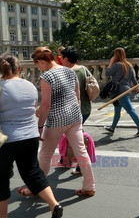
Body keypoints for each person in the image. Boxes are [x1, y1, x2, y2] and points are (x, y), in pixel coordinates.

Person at [0, 55, 63, 218]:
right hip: (30, 136)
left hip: (7, 140)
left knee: (1, 179)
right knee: (33, 172)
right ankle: (54, 204)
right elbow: (33, 108)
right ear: (19, 69)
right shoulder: (30, 86)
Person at [32, 47, 95, 197]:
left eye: (38, 64)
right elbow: (77, 97)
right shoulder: (69, 71)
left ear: (41, 61)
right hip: (74, 116)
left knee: (46, 153)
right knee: (81, 151)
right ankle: (89, 186)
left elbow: (46, 104)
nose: (39, 68)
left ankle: (38, 187)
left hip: (57, 120)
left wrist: (40, 126)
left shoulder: (46, 77)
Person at [60, 46, 93, 174]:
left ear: (66, 59)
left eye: (62, 58)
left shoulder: (64, 72)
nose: (61, 60)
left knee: (77, 140)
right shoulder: (83, 69)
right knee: (73, 136)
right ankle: (66, 160)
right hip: (85, 108)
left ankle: (80, 166)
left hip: (72, 111)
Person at [103, 47, 139, 136]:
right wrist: (138, 89)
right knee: (117, 110)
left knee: (130, 110)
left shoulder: (117, 65)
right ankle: (112, 128)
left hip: (119, 91)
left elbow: (107, 73)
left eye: (114, 54)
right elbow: (134, 79)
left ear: (116, 55)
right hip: (126, 90)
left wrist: (110, 63)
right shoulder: (129, 65)